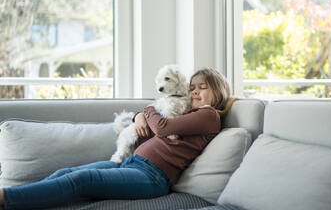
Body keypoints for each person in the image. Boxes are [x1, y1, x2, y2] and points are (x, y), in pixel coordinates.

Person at [0, 68, 237, 210]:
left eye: (202, 87)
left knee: (82, 179)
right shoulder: (188, 110)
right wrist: (139, 116)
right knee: (66, 172)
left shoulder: (209, 116)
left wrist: (147, 111)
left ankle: (6, 198)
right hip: (131, 163)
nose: (194, 92)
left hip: (151, 177)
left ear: (217, 90)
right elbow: (159, 119)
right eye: (192, 87)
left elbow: (163, 127)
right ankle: (20, 199)